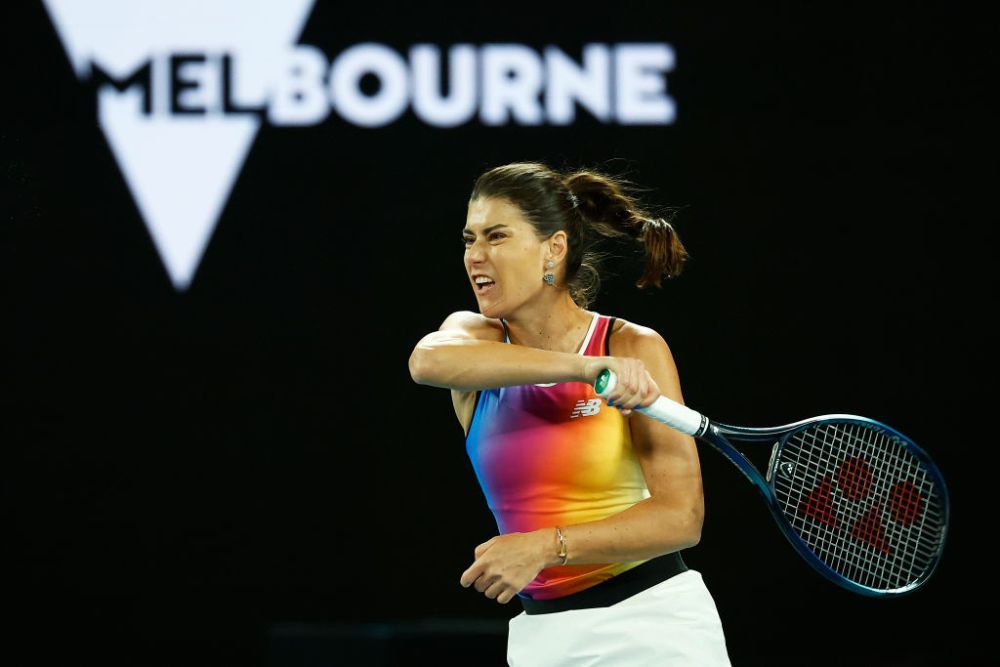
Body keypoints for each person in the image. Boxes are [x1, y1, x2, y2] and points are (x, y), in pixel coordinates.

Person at [408, 162, 730, 666]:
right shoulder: (474, 337)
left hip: (654, 625)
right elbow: (427, 361)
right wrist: (585, 368)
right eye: (469, 239)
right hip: (543, 641)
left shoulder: (632, 345)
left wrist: (545, 547)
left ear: (552, 249)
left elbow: (681, 518)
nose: (475, 256)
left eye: (497, 236)